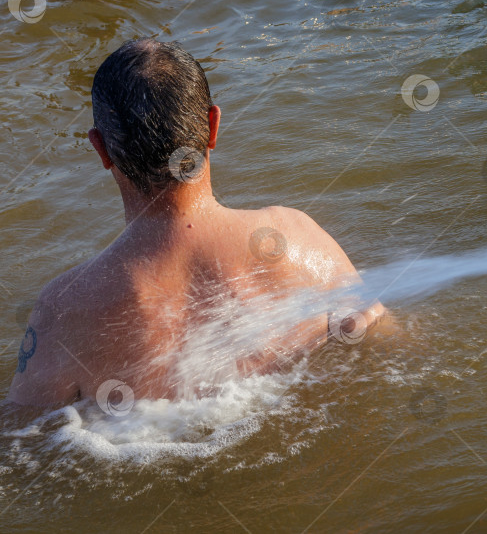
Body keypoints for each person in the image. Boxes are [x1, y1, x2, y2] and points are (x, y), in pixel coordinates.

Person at [7, 38, 385, 407]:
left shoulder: (66, 307)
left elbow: (22, 439)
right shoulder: (298, 239)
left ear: (101, 149)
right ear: (213, 126)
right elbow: (391, 346)